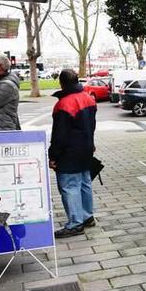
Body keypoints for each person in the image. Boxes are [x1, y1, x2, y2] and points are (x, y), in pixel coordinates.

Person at [49, 69, 98, 239]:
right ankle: (87, 216)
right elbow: (92, 125)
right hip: (86, 149)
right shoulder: (88, 98)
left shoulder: (63, 104)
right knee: (84, 182)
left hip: (69, 153)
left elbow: (59, 135)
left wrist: (53, 156)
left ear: (62, 83)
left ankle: (75, 223)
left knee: (69, 186)